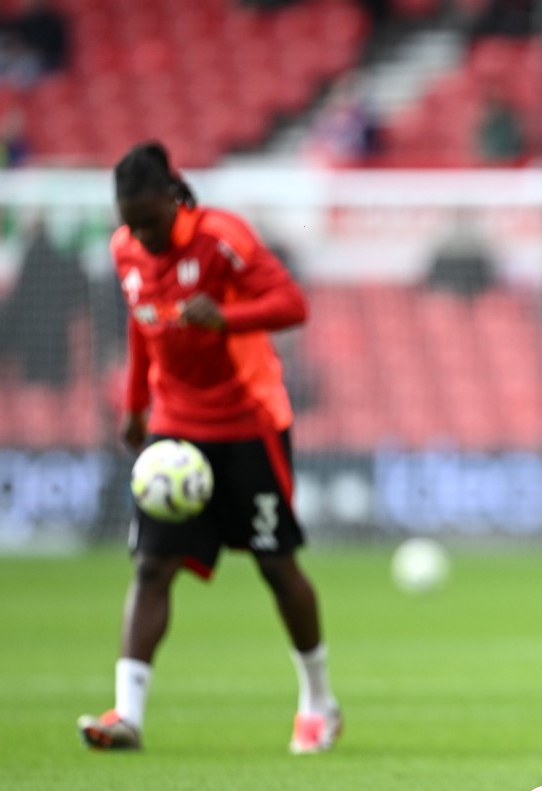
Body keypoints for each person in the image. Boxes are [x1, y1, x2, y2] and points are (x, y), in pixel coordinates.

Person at [78, 142, 342, 755]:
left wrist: (225, 314)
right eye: (130, 223)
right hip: (175, 427)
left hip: (249, 420)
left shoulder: (223, 236)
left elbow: (292, 305)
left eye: (150, 221)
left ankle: (319, 704)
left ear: (174, 199)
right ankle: (128, 716)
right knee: (151, 564)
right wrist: (136, 402)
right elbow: (141, 324)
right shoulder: (126, 250)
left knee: (276, 564)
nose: (141, 235)